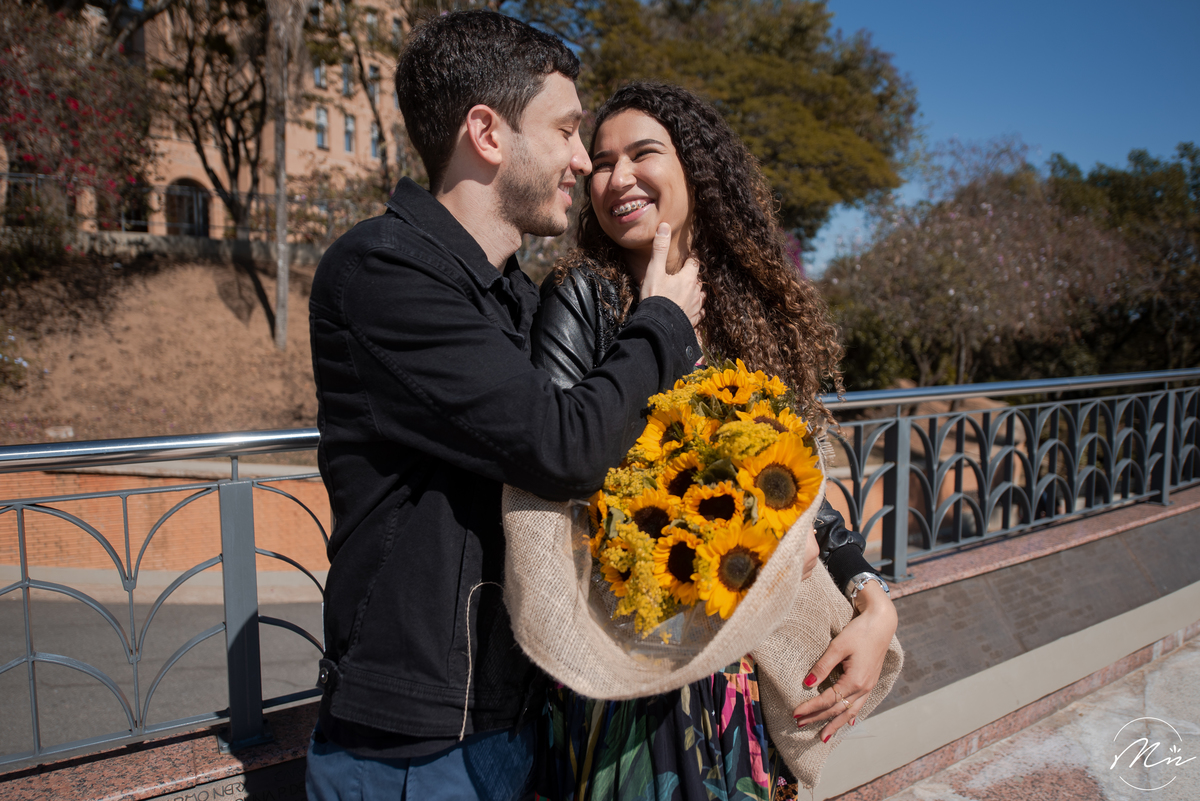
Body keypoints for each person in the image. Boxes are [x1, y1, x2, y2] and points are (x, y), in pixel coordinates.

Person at [305, 15, 705, 801]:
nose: (582, 159)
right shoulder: (383, 272)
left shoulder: (514, 296)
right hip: (411, 749)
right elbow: (563, 447)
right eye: (565, 130)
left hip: (508, 723)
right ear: (487, 133)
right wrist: (662, 321)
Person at [530, 82, 899, 799]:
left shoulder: (748, 312)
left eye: (642, 153)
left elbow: (798, 487)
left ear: (696, 172)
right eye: (601, 162)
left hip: (742, 680)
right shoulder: (584, 296)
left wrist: (872, 598)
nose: (617, 177)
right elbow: (560, 467)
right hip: (633, 677)